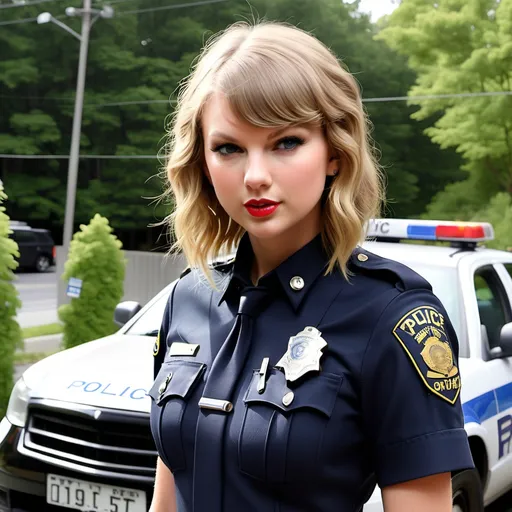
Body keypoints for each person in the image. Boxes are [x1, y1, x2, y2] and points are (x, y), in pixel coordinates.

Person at [149, 21, 475, 512]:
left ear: (335, 153)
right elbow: (168, 495)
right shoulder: (188, 299)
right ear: (201, 160)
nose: (255, 176)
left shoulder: (393, 318)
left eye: (286, 142)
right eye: (229, 148)